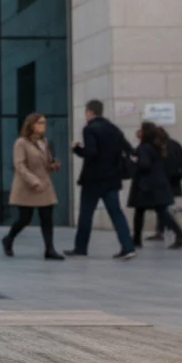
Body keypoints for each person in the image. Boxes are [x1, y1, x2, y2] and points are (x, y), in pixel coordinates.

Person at [66, 99, 137, 260]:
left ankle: (80, 248)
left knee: (86, 214)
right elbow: (129, 149)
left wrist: (77, 148)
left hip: (93, 180)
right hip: (112, 179)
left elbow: (91, 152)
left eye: (86, 113)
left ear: (90, 112)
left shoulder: (90, 129)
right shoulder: (113, 128)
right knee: (116, 213)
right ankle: (128, 246)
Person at [2, 114, 63, 260]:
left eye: (44, 123)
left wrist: (52, 166)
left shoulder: (45, 142)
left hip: (44, 185)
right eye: (40, 123)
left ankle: (50, 249)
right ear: (31, 125)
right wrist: (33, 180)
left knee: (47, 217)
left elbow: (44, 163)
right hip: (27, 186)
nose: (43, 125)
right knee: (25, 219)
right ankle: (9, 238)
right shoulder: (21, 143)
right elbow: (19, 165)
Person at [129, 122, 182, 250]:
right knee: (149, 211)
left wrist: (135, 161)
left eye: (141, 130)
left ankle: (179, 234)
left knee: (155, 212)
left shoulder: (145, 147)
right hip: (156, 184)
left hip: (147, 186)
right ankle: (137, 238)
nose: (138, 131)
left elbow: (144, 164)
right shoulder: (156, 146)